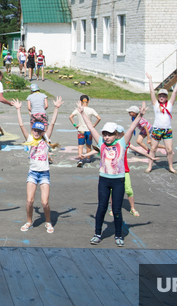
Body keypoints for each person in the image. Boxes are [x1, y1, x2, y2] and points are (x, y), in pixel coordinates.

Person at [75, 103, 145, 247]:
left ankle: (118, 235)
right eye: (105, 134)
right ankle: (97, 234)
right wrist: (82, 113)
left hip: (118, 180)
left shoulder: (122, 143)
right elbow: (91, 128)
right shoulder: (100, 142)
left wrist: (140, 115)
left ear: (116, 135)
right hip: (104, 181)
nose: (107, 137)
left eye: (110, 134)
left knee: (117, 210)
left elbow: (131, 128)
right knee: (101, 208)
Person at [12, 96, 63, 233]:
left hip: (44, 174)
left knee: (45, 202)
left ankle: (48, 221)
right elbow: (21, 125)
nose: (36, 132)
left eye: (39, 131)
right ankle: (29, 222)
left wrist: (56, 108)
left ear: (42, 132)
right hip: (33, 174)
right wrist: (18, 109)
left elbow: (51, 124)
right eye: (35, 130)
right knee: (29, 201)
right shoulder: (29, 139)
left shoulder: (46, 140)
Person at [145, 73, 177, 174]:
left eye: (164, 96)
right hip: (157, 129)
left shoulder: (170, 104)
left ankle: (171, 167)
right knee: (153, 148)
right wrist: (150, 79)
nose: (161, 97)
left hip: (167, 130)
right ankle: (149, 166)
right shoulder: (155, 104)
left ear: (166, 97)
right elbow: (152, 91)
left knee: (169, 150)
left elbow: (175, 92)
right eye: (160, 95)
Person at [69, 95, 101, 167]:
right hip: (89, 130)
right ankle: (88, 158)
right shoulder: (91, 110)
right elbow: (99, 118)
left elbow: (70, 116)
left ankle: (80, 159)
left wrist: (75, 125)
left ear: (80, 101)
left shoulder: (78, 109)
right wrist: (94, 125)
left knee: (80, 145)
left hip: (81, 130)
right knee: (88, 145)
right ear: (88, 101)